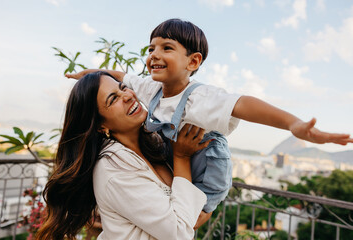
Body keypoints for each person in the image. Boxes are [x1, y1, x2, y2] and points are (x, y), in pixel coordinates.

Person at [67, 18, 353, 217]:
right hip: (181, 159)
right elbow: (119, 76)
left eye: (167, 48)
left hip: (208, 167)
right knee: (175, 209)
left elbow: (243, 104)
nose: (154, 54)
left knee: (191, 220)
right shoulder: (150, 87)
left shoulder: (201, 98)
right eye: (151, 48)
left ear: (192, 62)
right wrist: (89, 74)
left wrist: (293, 124)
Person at [36, 71, 211, 240]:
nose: (127, 96)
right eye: (113, 99)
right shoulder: (114, 169)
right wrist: (182, 157)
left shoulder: (155, 143)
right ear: (100, 126)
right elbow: (180, 232)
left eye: (123, 87)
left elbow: (189, 219)